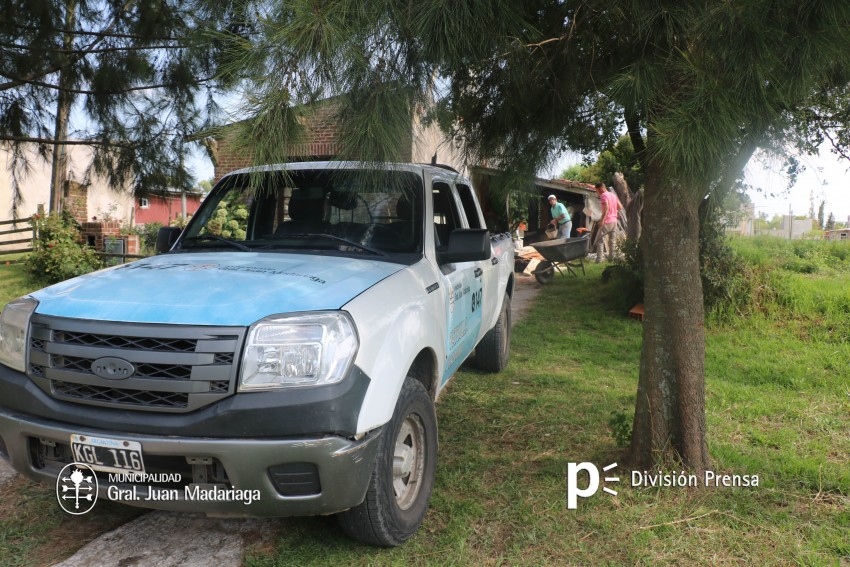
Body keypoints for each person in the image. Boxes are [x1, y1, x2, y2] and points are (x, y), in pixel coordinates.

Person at [594, 182, 621, 262]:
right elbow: (620, 206)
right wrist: (614, 211)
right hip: (614, 221)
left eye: (597, 190)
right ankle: (611, 259)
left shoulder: (603, 195)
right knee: (612, 241)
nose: (597, 192)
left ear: (601, 188)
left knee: (600, 241)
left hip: (607, 221)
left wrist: (602, 220)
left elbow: (606, 208)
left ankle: (599, 260)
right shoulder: (613, 195)